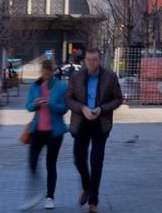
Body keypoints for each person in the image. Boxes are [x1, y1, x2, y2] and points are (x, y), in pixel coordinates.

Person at [65, 49, 123, 213]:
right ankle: (86, 186)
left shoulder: (109, 76)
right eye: (89, 60)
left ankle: (93, 202)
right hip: (81, 122)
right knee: (79, 159)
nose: (91, 63)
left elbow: (118, 99)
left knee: (96, 162)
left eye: (95, 60)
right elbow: (68, 99)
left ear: (99, 60)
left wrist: (102, 109)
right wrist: (81, 108)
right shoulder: (76, 77)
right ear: (85, 60)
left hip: (100, 123)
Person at [24, 59, 67, 211]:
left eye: (49, 72)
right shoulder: (35, 86)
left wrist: (50, 104)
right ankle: (36, 192)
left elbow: (64, 108)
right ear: (41, 71)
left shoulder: (61, 86)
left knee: (51, 164)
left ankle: (50, 197)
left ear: (53, 71)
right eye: (44, 72)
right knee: (32, 162)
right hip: (37, 130)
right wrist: (35, 104)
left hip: (54, 132)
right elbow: (28, 106)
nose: (46, 75)